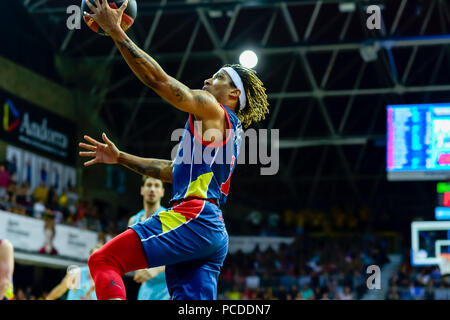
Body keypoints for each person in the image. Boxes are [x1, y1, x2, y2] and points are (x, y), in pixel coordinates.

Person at [80, 0, 269, 300]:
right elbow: (172, 170)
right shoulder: (229, 133)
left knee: (103, 260)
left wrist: (115, 30)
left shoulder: (212, 109)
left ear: (234, 94)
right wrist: (120, 158)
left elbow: (159, 81)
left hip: (194, 216)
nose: (208, 80)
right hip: (212, 231)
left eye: (218, 77)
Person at [127, 176, 170, 300]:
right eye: (149, 185)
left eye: (157, 186)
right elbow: (132, 256)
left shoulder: (169, 219)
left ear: (162, 192)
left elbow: (182, 256)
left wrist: (156, 270)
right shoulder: (133, 221)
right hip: (146, 289)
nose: (152, 189)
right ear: (142, 190)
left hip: (168, 288)